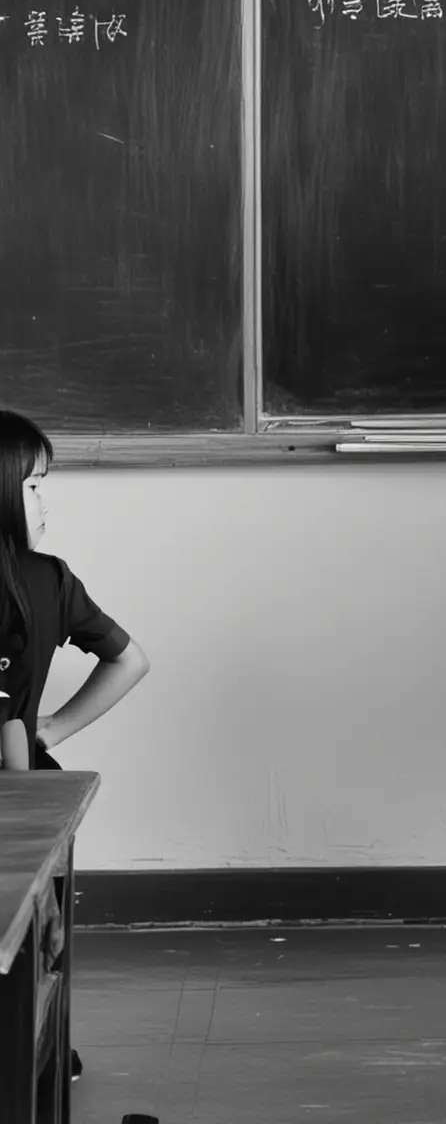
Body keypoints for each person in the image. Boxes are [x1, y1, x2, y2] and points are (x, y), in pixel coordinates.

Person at [0, 408, 151, 1084]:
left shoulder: (44, 579)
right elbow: (130, 660)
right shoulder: (48, 578)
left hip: (18, 790)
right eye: (32, 485)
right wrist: (46, 735)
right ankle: (44, 1056)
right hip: (28, 794)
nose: (43, 500)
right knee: (39, 944)